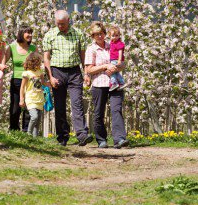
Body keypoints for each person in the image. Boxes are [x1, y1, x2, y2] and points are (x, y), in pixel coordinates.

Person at [43, 10, 92, 146]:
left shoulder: (78, 34)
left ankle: (82, 134)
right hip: (57, 71)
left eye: (63, 24)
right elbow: (46, 58)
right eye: (58, 24)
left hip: (74, 72)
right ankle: (62, 137)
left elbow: (83, 56)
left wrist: (86, 73)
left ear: (69, 21)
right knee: (59, 106)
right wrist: (50, 77)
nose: (61, 26)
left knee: (77, 103)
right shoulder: (49, 35)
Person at [85, 21, 129, 149]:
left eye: (101, 33)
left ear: (105, 34)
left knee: (116, 109)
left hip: (114, 82)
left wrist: (116, 67)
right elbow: (89, 69)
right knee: (99, 112)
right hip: (99, 83)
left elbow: (122, 63)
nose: (99, 36)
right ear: (92, 36)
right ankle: (101, 139)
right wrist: (105, 66)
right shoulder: (91, 49)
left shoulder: (113, 45)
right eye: (96, 34)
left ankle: (119, 139)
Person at [1, 25, 36, 131]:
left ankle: (27, 131)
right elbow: (4, 59)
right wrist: (2, 65)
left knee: (29, 107)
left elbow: (38, 64)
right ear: (21, 34)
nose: (30, 35)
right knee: (16, 107)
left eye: (31, 33)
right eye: (27, 33)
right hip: (16, 80)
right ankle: (14, 129)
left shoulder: (33, 48)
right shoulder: (12, 47)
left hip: (30, 81)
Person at [19, 52, 48, 137]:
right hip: (30, 98)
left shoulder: (40, 72)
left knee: (38, 121)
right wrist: (21, 99)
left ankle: (35, 139)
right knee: (34, 117)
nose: (40, 64)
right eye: (39, 62)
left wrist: (52, 84)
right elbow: (22, 87)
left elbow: (43, 83)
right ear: (34, 63)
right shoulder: (26, 74)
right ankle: (28, 134)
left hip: (39, 98)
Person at [108, 26, 127, 91]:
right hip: (113, 59)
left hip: (116, 60)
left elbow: (120, 52)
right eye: (113, 35)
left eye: (117, 35)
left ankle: (114, 83)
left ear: (119, 35)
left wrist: (119, 60)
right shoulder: (112, 42)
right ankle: (121, 83)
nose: (115, 37)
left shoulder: (119, 43)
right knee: (116, 72)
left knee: (112, 71)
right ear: (110, 36)